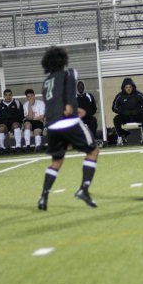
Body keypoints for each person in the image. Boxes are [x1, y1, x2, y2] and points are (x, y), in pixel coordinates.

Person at [36, 46, 100, 210]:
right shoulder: (69, 73)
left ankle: (44, 196)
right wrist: (69, 106)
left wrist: (71, 106)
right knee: (93, 151)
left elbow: (52, 101)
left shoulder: (46, 82)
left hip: (52, 125)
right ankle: (84, 189)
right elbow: (69, 91)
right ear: (62, 60)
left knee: (56, 161)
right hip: (68, 121)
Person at [111, 77, 143, 145]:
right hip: (125, 116)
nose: (128, 89)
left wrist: (139, 111)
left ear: (133, 87)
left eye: (130, 87)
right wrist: (123, 112)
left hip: (136, 115)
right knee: (116, 119)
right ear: (124, 88)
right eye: (126, 87)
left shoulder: (138, 94)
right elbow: (114, 107)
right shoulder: (120, 96)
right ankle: (120, 137)